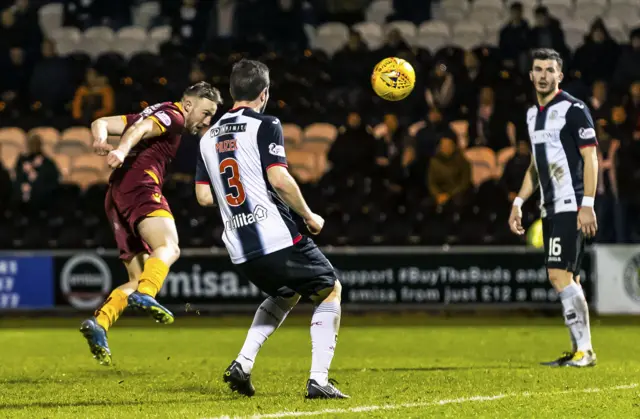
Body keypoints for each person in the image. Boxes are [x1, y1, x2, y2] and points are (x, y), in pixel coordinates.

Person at [194, 59, 348, 399]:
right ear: (264, 93)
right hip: (274, 234)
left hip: (239, 246)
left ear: (232, 92)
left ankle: (243, 364)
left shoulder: (207, 138)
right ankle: (319, 380)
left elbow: (204, 197)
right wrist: (309, 215)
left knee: (284, 293)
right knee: (330, 288)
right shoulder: (266, 124)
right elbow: (279, 179)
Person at [79, 82, 223, 366]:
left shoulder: (153, 111)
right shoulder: (176, 115)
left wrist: (100, 139)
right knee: (169, 247)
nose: (207, 121)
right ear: (190, 104)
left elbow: (101, 122)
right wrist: (120, 151)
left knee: (137, 276)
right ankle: (147, 295)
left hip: (116, 195)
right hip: (140, 186)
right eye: (206, 113)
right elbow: (140, 131)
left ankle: (101, 322)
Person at [508, 48, 598, 367]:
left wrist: (587, 203)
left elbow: (591, 157)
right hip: (549, 206)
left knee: (558, 274)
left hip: (570, 204)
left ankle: (584, 351)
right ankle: (580, 349)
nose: (543, 75)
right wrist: (519, 202)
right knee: (564, 277)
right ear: (531, 75)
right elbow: (535, 165)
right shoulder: (533, 115)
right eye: (538, 69)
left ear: (560, 75)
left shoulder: (573, 109)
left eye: (550, 70)